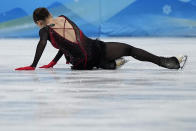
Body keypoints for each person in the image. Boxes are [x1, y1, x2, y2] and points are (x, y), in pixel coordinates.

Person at [15, 7, 186, 71]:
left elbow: (44, 44)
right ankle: (167, 62)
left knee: (95, 60)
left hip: (83, 63)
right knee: (130, 49)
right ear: (50, 14)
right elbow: (67, 44)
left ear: (38, 22)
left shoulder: (44, 31)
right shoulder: (63, 17)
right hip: (96, 48)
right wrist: (53, 62)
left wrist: (33, 66)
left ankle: (108, 64)